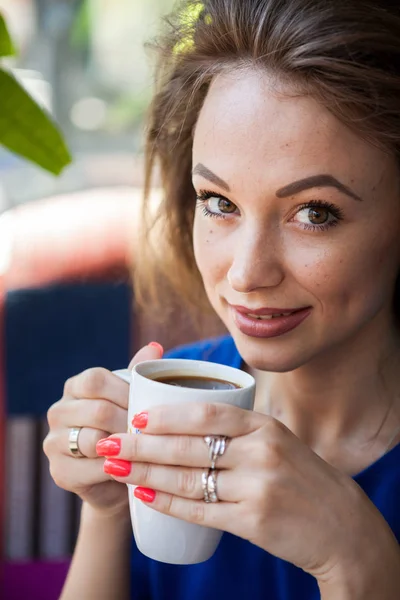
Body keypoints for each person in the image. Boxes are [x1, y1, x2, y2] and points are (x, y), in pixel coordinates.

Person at [43, 1, 400, 598]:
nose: (245, 272)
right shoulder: (169, 404)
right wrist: (106, 509)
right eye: (219, 202)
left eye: (315, 212)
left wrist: (358, 563)